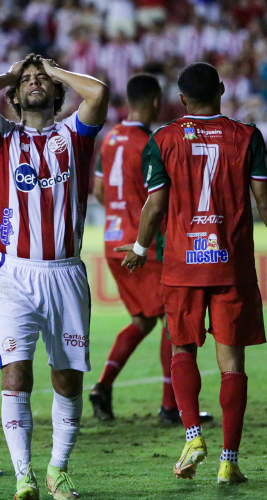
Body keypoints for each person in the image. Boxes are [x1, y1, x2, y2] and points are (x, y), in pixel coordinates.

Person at [117, 62, 267, 484]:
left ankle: (192, 436)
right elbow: (266, 202)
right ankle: (229, 460)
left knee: (182, 350)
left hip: (182, 265)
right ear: (223, 90)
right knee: (232, 364)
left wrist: (138, 248)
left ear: (181, 98)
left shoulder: (164, 138)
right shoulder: (247, 136)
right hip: (231, 265)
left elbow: (154, 206)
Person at [0, 53, 109, 500]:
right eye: (26, 81)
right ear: (13, 92)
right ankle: (23, 475)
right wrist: (12, 73)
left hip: (65, 274)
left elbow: (99, 93)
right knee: (16, 375)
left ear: (55, 88)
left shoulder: (74, 135)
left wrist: (52, 69)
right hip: (15, 275)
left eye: (40, 80)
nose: (33, 84)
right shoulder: (1, 136)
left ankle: (58, 469)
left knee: (67, 379)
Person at [90, 74, 212, 425]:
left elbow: (99, 190)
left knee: (143, 320)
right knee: (174, 322)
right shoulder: (149, 142)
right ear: (157, 101)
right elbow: (159, 199)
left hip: (113, 241)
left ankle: (102, 386)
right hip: (144, 247)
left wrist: (122, 208)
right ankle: (170, 406)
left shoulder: (110, 138)